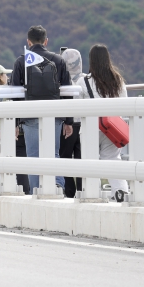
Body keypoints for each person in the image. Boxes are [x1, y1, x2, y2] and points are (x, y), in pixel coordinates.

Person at [11, 26, 73, 193]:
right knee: (54, 152)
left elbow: (14, 94)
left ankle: (36, 190)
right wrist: (69, 120)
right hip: (54, 114)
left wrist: (15, 122)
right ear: (46, 41)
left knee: (33, 156)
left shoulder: (21, 61)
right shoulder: (58, 60)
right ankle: (57, 185)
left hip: (30, 115)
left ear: (28, 42)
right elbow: (68, 91)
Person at [76, 44, 130, 202]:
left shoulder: (83, 82)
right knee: (113, 159)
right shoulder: (118, 80)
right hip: (112, 128)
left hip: (90, 128)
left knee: (90, 161)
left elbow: (77, 110)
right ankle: (120, 191)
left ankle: (93, 194)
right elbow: (124, 105)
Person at [0, 63, 30, 193]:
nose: (7, 77)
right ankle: (24, 189)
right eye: (4, 74)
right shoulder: (8, 91)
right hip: (14, 132)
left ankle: (4, 187)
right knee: (20, 163)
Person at [60, 49, 84, 198]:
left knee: (65, 159)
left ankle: (69, 192)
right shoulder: (85, 80)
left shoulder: (61, 80)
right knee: (82, 159)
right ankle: (82, 191)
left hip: (67, 124)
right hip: (83, 124)